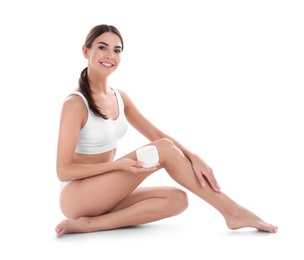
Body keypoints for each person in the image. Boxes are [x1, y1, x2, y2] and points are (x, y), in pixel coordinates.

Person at [55, 24, 278, 238]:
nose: (110, 56)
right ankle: (233, 212)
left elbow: (157, 134)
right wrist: (117, 165)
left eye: (117, 50)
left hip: (105, 192)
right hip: (78, 195)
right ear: (86, 51)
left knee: (177, 199)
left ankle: (91, 223)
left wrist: (193, 156)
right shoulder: (75, 104)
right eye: (102, 47)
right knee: (163, 150)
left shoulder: (119, 97)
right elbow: (63, 171)